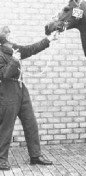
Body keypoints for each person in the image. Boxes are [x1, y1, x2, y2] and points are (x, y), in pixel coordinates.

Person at [0, 26, 59, 170]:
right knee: (6, 126)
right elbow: (5, 74)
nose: (9, 35)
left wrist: (49, 39)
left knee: (30, 123)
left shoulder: (12, 48)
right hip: (7, 91)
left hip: (21, 89)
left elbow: (30, 49)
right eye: (6, 33)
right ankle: (1, 159)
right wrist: (14, 60)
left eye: (9, 32)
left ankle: (35, 156)